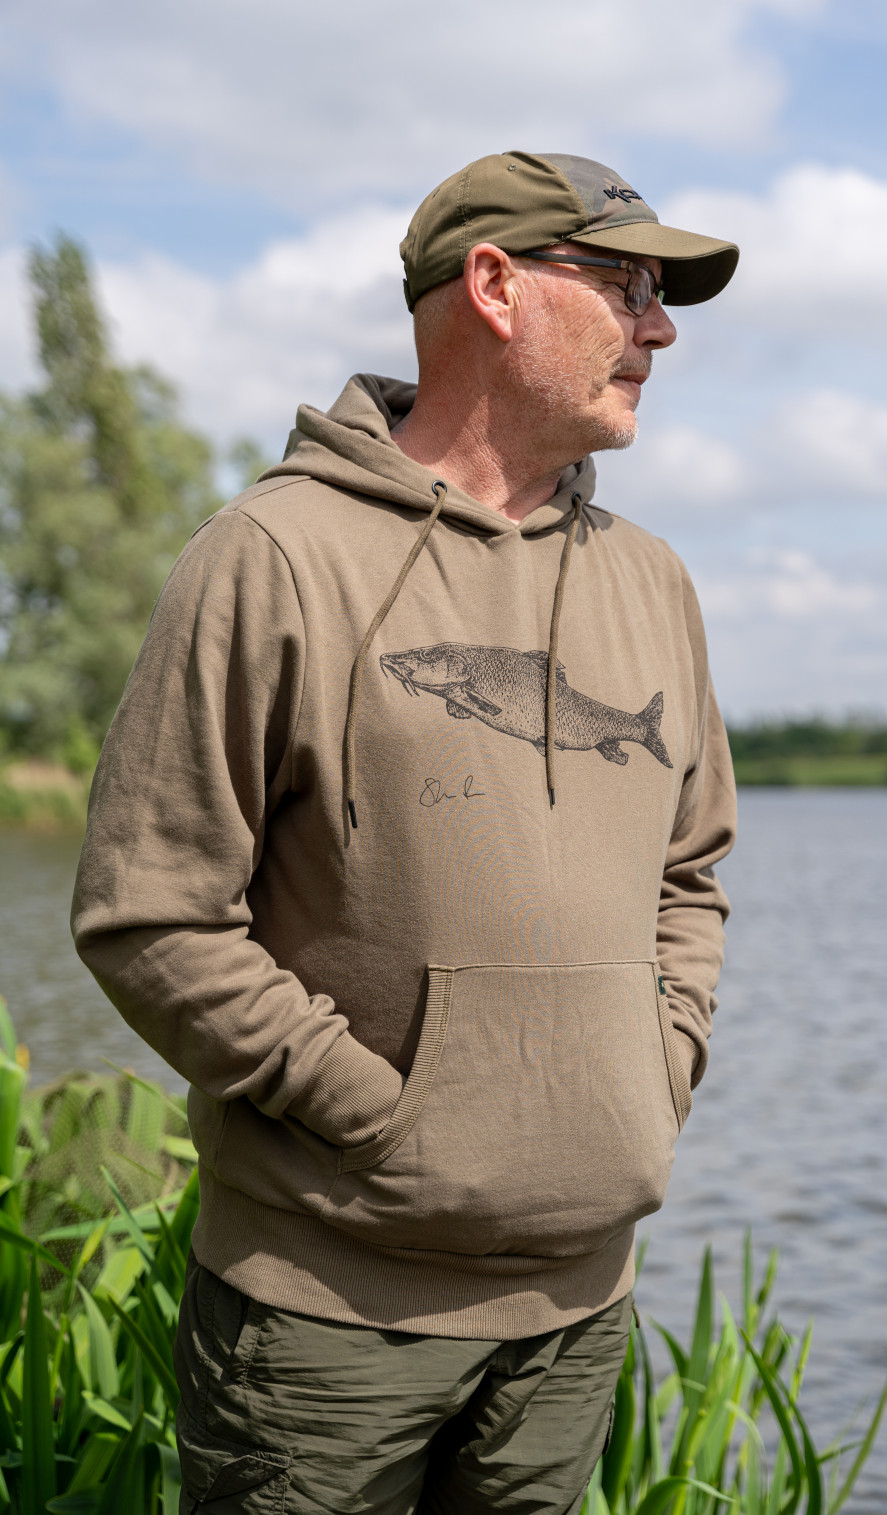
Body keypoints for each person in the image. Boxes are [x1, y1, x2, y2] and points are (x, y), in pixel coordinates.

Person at [72, 150, 739, 1515]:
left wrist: (654, 1070)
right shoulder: (270, 556)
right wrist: (375, 1116)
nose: (659, 329)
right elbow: (149, 912)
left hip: (576, 1313)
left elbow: (691, 872)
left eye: (660, 296)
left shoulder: (653, 581)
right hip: (327, 1323)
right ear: (492, 285)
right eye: (625, 285)